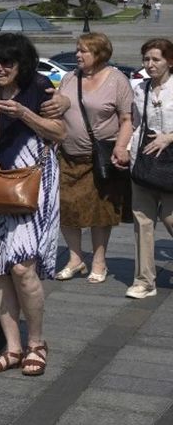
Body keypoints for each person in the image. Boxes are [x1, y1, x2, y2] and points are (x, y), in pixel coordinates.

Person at [0, 33, 64, 377]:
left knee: (23, 267)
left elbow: (59, 133)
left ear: (21, 64)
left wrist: (24, 113)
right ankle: (12, 347)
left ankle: (36, 342)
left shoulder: (39, 87)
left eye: (6, 62)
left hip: (35, 180)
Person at [54, 33, 133, 283]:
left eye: (83, 51)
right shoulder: (69, 78)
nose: (77, 54)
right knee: (65, 208)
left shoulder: (117, 80)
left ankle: (99, 261)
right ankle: (75, 259)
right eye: (77, 50)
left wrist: (122, 147)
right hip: (67, 155)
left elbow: (126, 119)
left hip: (100, 158)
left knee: (101, 212)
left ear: (99, 54)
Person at [128, 38, 173, 299]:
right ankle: (144, 280)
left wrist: (169, 137)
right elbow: (135, 123)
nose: (150, 64)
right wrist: (126, 150)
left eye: (156, 59)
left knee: (169, 218)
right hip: (143, 159)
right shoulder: (140, 88)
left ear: (169, 61)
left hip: (169, 160)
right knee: (142, 221)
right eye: (146, 59)